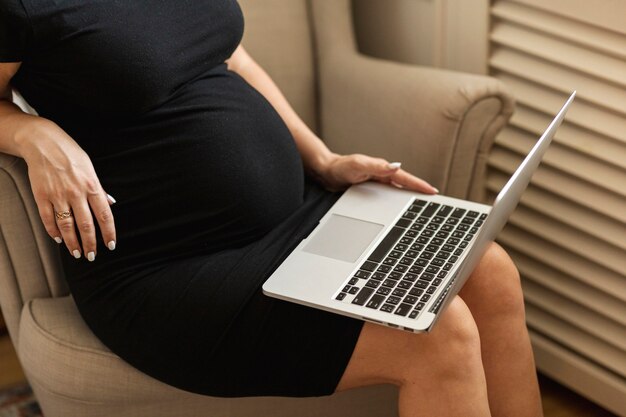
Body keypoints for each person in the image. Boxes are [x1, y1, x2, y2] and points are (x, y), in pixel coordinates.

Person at [0, 1, 543, 416]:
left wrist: (322, 159)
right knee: (437, 335)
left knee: (489, 269)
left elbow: (234, 57)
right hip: (167, 267)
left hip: (294, 216)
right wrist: (33, 133)